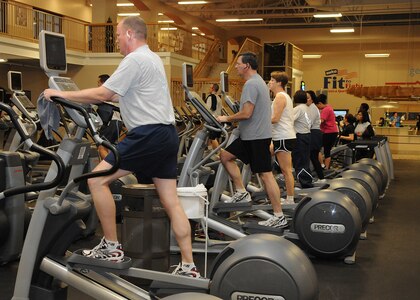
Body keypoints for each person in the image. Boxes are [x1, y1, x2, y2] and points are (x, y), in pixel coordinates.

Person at [43, 16, 200, 277]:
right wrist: (91, 97)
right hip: (166, 135)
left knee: (96, 182)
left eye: (117, 35)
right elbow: (116, 94)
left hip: (147, 134)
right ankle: (188, 265)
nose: (116, 40)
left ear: (129, 34)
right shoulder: (152, 59)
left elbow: (104, 93)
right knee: (171, 201)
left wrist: (61, 95)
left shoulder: (135, 59)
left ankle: (112, 247)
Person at [216, 52, 288, 229]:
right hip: (249, 135)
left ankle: (279, 215)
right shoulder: (259, 82)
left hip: (256, 137)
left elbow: (247, 113)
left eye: (239, 64)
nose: (236, 67)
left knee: (266, 175)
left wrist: (226, 119)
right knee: (225, 156)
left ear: (247, 65)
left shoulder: (251, 84)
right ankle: (242, 192)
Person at [268, 71, 296, 205]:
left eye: (272, 80)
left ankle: (290, 199)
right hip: (281, 137)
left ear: (279, 83)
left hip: (283, 137)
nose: (269, 82)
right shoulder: (282, 96)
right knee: (262, 157)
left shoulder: (280, 96)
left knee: (286, 170)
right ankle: (270, 188)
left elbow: (275, 118)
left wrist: (259, 121)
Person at [96, 74, 125, 159]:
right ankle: (110, 167)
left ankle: (110, 167)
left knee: (101, 147)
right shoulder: (114, 91)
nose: (98, 84)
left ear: (104, 83)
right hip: (116, 123)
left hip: (111, 123)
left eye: (99, 82)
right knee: (109, 147)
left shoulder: (105, 93)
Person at [293, 90, 313, 188]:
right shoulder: (308, 108)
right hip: (307, 135)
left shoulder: (298, 108)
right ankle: (307, 179)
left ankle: (304, 182)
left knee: (299, 160)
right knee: (305, 159)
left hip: (300, 136)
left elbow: (288, 120)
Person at [316, 94, 338, 169]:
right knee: (326, 150)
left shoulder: (326, 109)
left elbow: (320, 121)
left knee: (319, 149)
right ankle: (325, 167)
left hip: (329, 132)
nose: (317, 107)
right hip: (331, 132)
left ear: (320, 103)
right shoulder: (329, 108)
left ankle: (324, 167)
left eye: (317, 105)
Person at [306, 90, 324, 181]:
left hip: (314, 133)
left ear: (312, 99)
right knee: (313, 157)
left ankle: (320, 177)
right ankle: (320, 177)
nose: (306, 99)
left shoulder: (312, 108)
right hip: (313, 132)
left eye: (308, 97)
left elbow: (310, 122)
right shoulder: (309, 108)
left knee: (313, 157)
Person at [205, 83, 223, 150]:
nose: (209, 89)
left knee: (212, 138)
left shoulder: (210, 97)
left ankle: (220, 152)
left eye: (210, 87)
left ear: (212, 89)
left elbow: (207, 109)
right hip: (218, 120)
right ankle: (210, 151)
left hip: (212, 121)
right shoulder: (219, 98)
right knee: (210, 137)